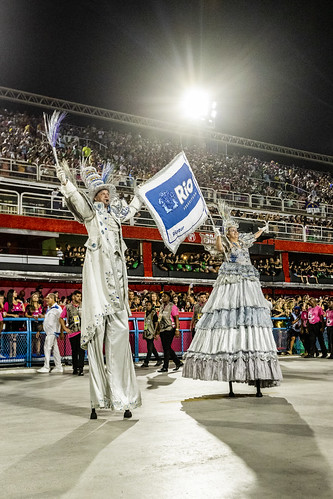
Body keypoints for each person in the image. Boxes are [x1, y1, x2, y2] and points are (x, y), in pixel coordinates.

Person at [54, 153, 142, 419]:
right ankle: (98, 399)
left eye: (107, 191)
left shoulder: (115, 217)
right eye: (102, 192)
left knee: (120, 339)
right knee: (96, 340)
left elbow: (132, 210)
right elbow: (76, 200)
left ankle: (122, 397)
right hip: (98, 283)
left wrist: (140, 193)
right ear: (95, 196)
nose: (106, 194)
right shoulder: (90, 215)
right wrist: (65, 180)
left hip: (117, 287)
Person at [183, 203, 282, 397]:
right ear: (228, 233)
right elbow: (219, 247)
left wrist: (262, 229)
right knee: (229, 311)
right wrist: (218, 234)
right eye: (231, 231)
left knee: (250, 312)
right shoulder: (226, 244)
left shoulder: (243, 241)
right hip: (231, 281)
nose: (235, 232)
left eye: (236, 230)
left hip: (248, 281)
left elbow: (254, 237)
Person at [154, 291, 183, 373]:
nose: (163, 298)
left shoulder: (172, 307)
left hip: (170, 328)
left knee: (166, 348)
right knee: (166, 347)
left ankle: (165, 367)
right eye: (162, 296)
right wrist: (157, 331)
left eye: (165, 296)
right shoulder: (162, 306)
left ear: (169, 298)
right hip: (163, 329)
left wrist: (177, 330)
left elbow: (177, 318)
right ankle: (178, 362)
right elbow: (159, 319)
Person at [59, 290, 85, 375]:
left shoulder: (83, 306)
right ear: (73, 297)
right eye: (77, 296)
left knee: (82, 350)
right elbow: (61, 318)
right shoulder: (68, 307)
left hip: (83, 331)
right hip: (73, 332)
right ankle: (75, 367)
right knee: (75, 351)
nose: (79, 298)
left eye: (80, 296)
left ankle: (80, 368)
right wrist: (64, 328)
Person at [37, 293, 63, 373]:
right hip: (50, 332)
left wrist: (61, 332)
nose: (46, 300)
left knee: (47, 348)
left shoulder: (57, 308)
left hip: (52, 332)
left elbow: (61, 320)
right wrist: (43, 316)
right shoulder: (50, 308)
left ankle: (46, 366)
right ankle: (58, 366)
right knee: (55, 349)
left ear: (52, 298)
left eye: (48, 298)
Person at [140, 301, 162, 368]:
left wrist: (156, 333)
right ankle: (159, 359)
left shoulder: (153, 314)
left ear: (151, 306)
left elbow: (156, 323)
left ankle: (146, 362)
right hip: (147, 332)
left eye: (149, 305)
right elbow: (146, 323)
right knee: (152, 347)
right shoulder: (146, 313)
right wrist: (144, 331)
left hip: (152, 332)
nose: (147, 306)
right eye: (146, 305)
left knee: (149, 348)